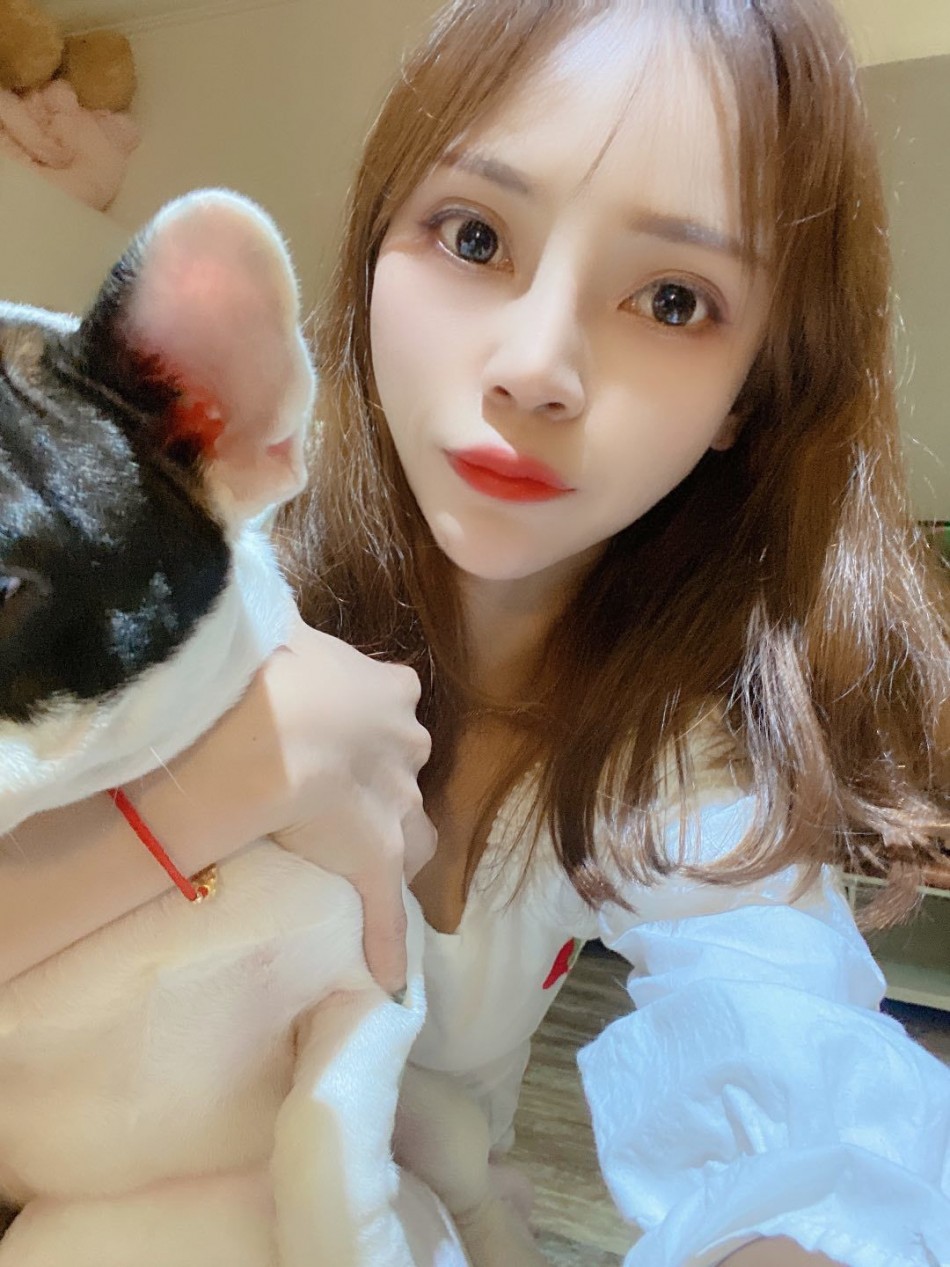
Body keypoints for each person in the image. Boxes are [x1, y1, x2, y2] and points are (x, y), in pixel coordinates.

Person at [3, 0, 950, 1263]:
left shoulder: (681, 745)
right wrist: (235, 774)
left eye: (672, 299)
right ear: (375, 246)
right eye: (474, 234)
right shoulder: (177, 581)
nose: (536, 365)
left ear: (752, 392)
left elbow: (795, 1079)